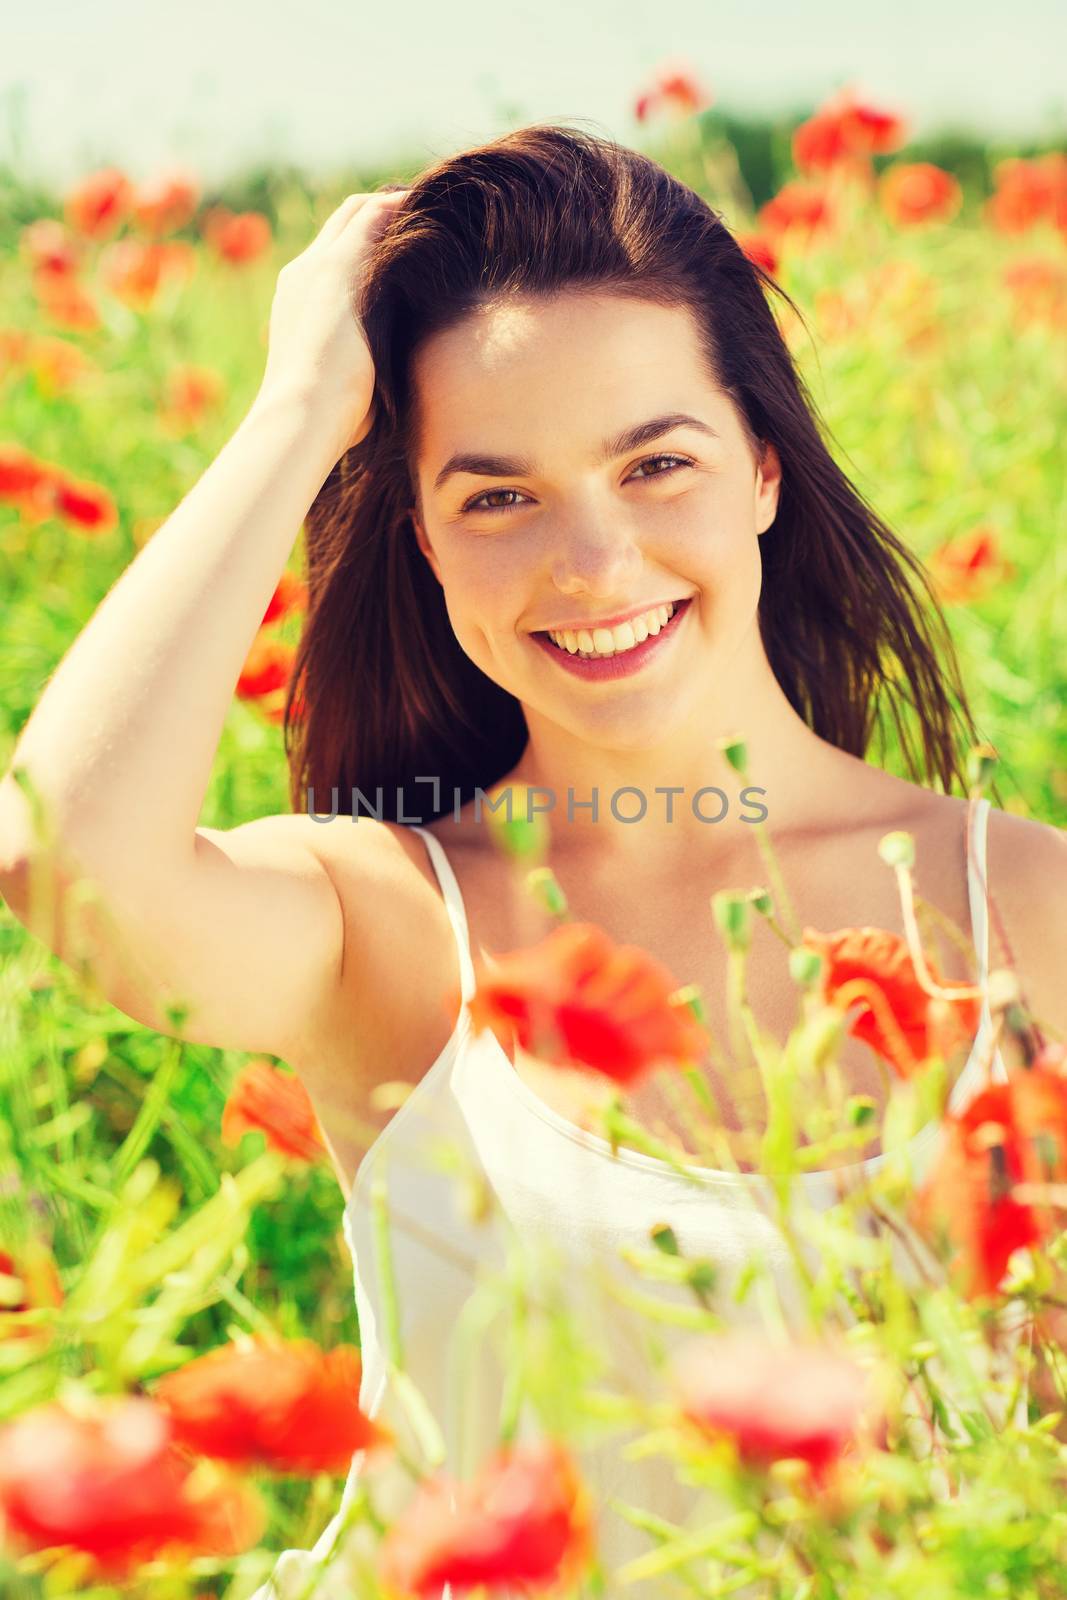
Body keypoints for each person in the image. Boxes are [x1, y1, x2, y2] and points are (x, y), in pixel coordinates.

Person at [1, 124, 1064, 1597]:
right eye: (497, 496)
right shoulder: (393, 921)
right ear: (426, 544)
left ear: (762, 468)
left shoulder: (1024, 908)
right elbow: (65, 863)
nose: (595, 561)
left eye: (656, 464)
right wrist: (302, 405)